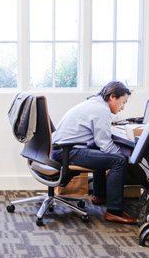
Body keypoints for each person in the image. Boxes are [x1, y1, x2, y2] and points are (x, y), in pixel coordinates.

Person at [51, 81, 138, 224]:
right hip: (66, 151)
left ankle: (99, 196)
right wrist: (126, 158)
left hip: (61, 149)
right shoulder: (101, 110)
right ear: (112, 97)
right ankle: (114, 212)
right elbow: (106, 145)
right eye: (123, 102)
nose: (122, 108)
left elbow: (101, 145)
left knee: (102, 152)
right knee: (119, 160)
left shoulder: (94, 103)